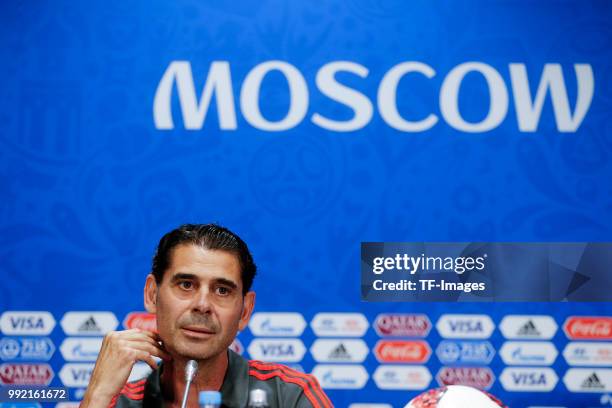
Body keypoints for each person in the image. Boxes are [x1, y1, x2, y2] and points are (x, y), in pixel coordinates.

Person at [81, 224, 332, 408]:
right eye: (186, 285)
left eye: (222, 290)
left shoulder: (289, 396)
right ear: (152, 294)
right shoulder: (117, 402)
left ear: (244, 311)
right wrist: (97, 396)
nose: (202, 305)